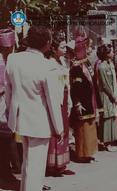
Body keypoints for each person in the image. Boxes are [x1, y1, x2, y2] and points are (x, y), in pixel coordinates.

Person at [5, 26, 64, 191]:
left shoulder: (13, 59)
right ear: (47, 43)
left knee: (27, 162)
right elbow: (53, 101)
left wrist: (12, 113)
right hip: (39, 121)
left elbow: (9, 92)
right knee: (35, 166)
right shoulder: (47, 66)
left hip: (19, 118)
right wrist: (59, 128)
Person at [45, 32, 74, 176]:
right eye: (62, 47)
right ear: (54, 48)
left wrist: (68, 100)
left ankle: (62, 163)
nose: (64, 49)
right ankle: (53, 165)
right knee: (56, 130)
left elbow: (66, 82)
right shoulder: (50, 63)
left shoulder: (63, 62)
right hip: (55, 98)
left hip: (64, 96)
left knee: (64, 129)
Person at [69, 36, 101, 161]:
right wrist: (77, 103)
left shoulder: (85, 63)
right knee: (83, 129)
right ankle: (82, 154)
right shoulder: (76, 67)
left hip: (90, 99)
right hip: (82, 101)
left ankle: (89, 152)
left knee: (90, 127)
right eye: (86, 48)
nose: (88, 50)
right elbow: (75, 87)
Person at [0, 28, 18, 183]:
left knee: (8, 139)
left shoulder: (13, 60)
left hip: (9, 104)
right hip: (1, 105)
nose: (8, 50)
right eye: (6, 48)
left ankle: (8, 171)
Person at [97, 44, 117, 151]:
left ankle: (111, 140)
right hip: (106, 95)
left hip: (112, 93)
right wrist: (112, 95)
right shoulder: (102, 66)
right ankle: (106, 142)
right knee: (107, 117)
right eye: (111, 52)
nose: (113, 53)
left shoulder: (109, 64)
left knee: (112, 116)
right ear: (106, 54)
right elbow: (105, 84)